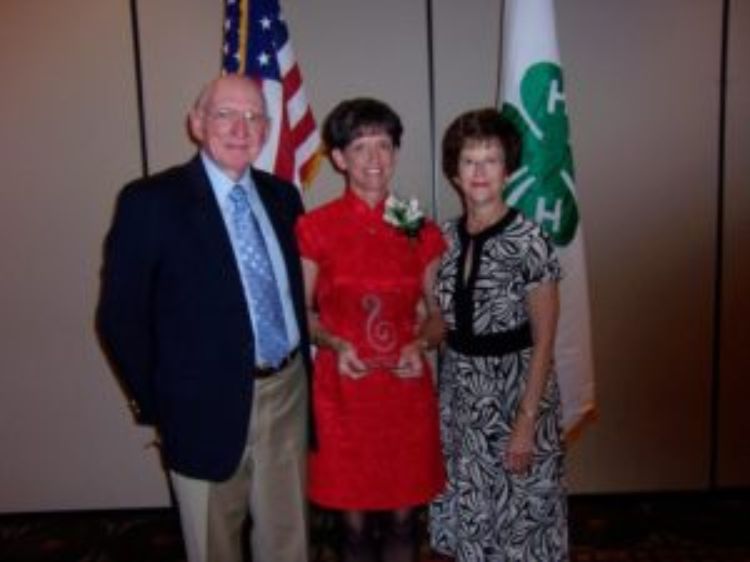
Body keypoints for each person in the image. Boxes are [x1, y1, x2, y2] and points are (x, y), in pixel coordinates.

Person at [97, 74, 311, 562]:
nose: (241, 128)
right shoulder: (149, 202)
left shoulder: (283, 198)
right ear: (196, 123)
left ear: (267, 128)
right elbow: (119, 317)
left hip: (287, 394)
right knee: (213, 547)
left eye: (254, 116)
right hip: (200, 408)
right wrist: (162, 404)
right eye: (224, 114)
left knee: (290, 541)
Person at [295, 98, 445, 562]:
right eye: (360, 147)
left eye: (384, 145)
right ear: (339, 158)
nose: (375, 159)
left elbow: (439, 316)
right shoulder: (314, 228)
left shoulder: (418, 226)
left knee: (404, 521)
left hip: (403, 395)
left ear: (396, 153)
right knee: (352, 527)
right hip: (342, 393)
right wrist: (333, 342)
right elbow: (302, 315)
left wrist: (421, 344)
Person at [428, 108, 567, 561]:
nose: (480, 172)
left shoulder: (531, 240)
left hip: (515, 397)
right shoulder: (442, 238)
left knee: (520, 524)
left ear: (508, 170)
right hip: (460, 400)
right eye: (470, 161)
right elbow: (438, 321)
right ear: (454, 172)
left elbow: (545, 338)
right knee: (472, 517)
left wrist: (526, 422)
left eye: (491, 160)